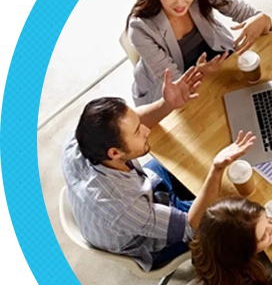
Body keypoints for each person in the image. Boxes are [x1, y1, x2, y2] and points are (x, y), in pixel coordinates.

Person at [61, 65, 256, 271]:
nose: (146, 130)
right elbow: (192, 226)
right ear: (114, 153)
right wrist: (216, 169)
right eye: (138, 132)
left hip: (135, 193)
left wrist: (167, 104)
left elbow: (134, 121)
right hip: (144, 239)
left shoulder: (81, 136)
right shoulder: (123, 207)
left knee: (192, 165)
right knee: (234, 216)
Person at [127, 0, 272, 106]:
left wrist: (261, 19)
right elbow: (176, 84)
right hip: (171, 87)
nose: (180, 2)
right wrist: (200, 72)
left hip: (214, 61)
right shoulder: (139, 29)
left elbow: (245, 13)